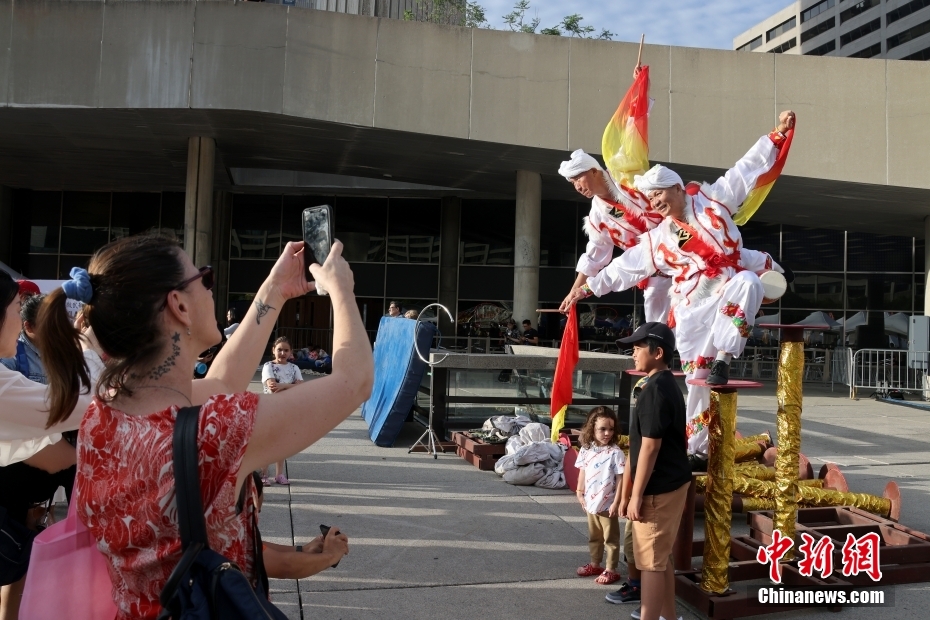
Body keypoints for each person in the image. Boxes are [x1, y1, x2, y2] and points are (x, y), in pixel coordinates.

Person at [35, 234, 373, 620]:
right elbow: (355, 381)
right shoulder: (215, 433)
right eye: (205, 279)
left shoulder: (104, 410)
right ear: (178, 304)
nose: (211, 288)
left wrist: (275, 291)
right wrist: (341, 291)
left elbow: (223, 383)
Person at [565, 111, 795, 466]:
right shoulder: (661, 238)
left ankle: (725, 357)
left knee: (748, 280)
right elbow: (623, 267)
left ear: (677, 187)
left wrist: (775, 137)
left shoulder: (714, 201)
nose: (656, 203)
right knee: (697, 386)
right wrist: (588, 287)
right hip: (692, 306)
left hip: (727, 285)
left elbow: (745, 170)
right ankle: (696, 451)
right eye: (652, 199)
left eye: (659, 196)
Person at [559, 66, 672, 324]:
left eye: (579, 177)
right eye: (572, 182)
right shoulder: (598, 217)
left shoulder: (625, 172)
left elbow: (634, 127)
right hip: (654, 270)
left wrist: (639, 88)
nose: (577, 185)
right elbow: (594, 257)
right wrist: (573, 291)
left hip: (683, 245)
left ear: (595, 171)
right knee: (657, 318)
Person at [617, 322, 690, 620]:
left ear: (657, 353)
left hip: (658, 489)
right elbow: (640, 446)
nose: (633, 353)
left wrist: (635, 496)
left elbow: (649, 448)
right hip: (669, 483)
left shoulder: (655, 391)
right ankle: (670, 617)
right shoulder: (664, 384)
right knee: (660, 559)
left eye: (637, 348)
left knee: (650, 564)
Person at [244, 472, 349, 579]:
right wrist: (330, 556)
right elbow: (285, 566)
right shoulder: (230, 539)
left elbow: (257, 546)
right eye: (254, 512)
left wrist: (304, 550)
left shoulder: (234, 533)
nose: (257, 519)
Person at [574, 406, 624, 586]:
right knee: (594, 536)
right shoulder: (587, 449)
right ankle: (595, 563)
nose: (607, 433)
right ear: (592, 428)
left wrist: (617, 502)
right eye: (602, 429)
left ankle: (611, 569)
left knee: (611, 538)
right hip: (590, 502)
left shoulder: (616, 453)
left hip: (608, 503)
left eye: (611, 429)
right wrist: (580, 493)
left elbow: (620, 480)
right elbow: (583, 472)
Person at [261, 336, 303, 485]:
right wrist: (291, 386)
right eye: (279, 350)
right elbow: (272, 386)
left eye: (286, 350)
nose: (282, 353)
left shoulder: (294, 368)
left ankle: (279, 474)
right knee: (267, 442)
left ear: (291, 352)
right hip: (270, 409)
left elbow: (301, 387)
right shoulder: (268, 366)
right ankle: (263, 474)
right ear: (273, 350)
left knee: (282, 443)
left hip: (287, 409)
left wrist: (283, 386)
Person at [0, 290, 47, 384]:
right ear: (28, 326)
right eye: (50, 324)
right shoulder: (10, 358)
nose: (59, 329)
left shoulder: (64, 354)